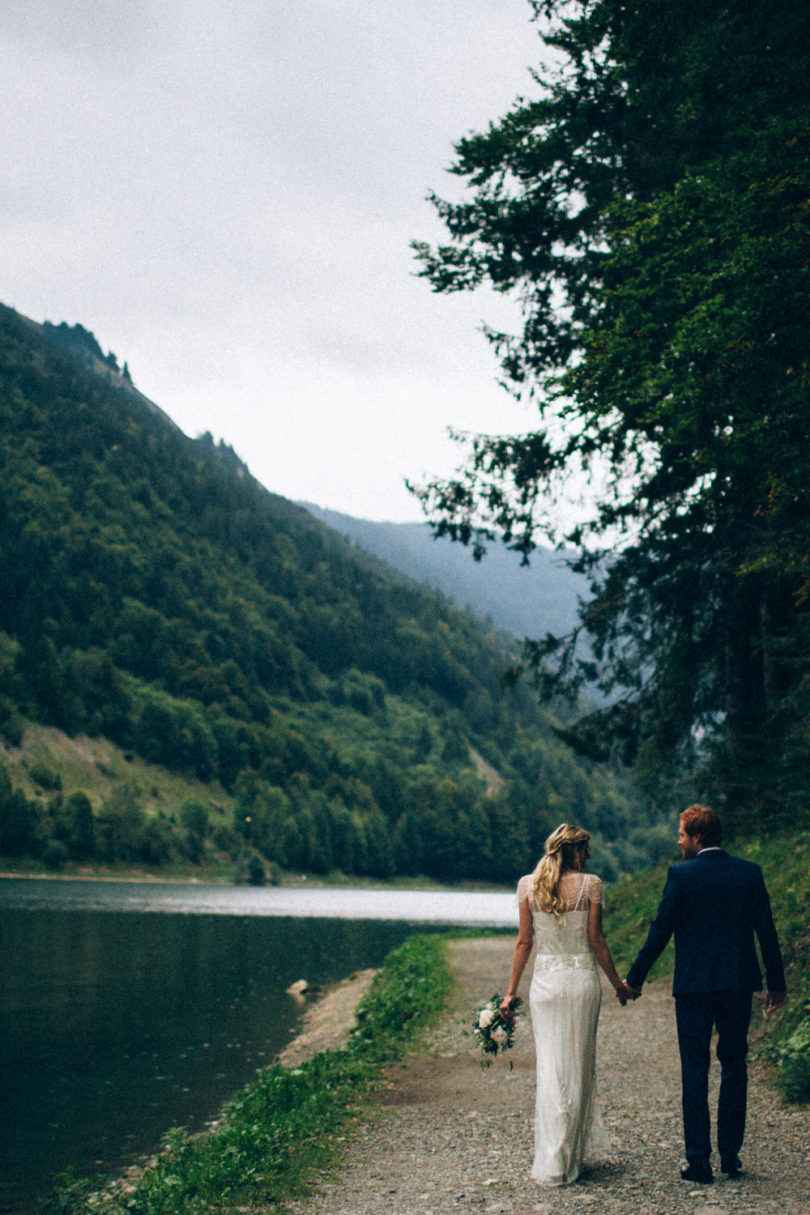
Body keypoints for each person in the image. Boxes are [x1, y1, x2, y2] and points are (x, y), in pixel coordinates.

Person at [624, 804, 787, 1185]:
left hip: (694, 988)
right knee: (735, 1065)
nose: (678, 842)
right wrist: (775, 985)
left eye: (681, 834)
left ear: (698, 837)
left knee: (695, 1069)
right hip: (736, 984)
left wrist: (635, 980)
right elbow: (767, 932)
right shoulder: (749, 873)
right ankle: (730, 1156)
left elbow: (659, 931)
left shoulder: (682, 875)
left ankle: (698, 1162)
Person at [500, 823, 628, 1186]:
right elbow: (597, 942)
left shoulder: (528, 885)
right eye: (585, 850)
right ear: (574, 850)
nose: (589, 856)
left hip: (546, 984)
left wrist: (511, 992)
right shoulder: (591, 885)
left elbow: (524, 943)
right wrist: (618, 985)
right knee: (578, 1064)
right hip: (581, 983)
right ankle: (566, 1155)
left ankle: (553, 1156)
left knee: (552, 1066)